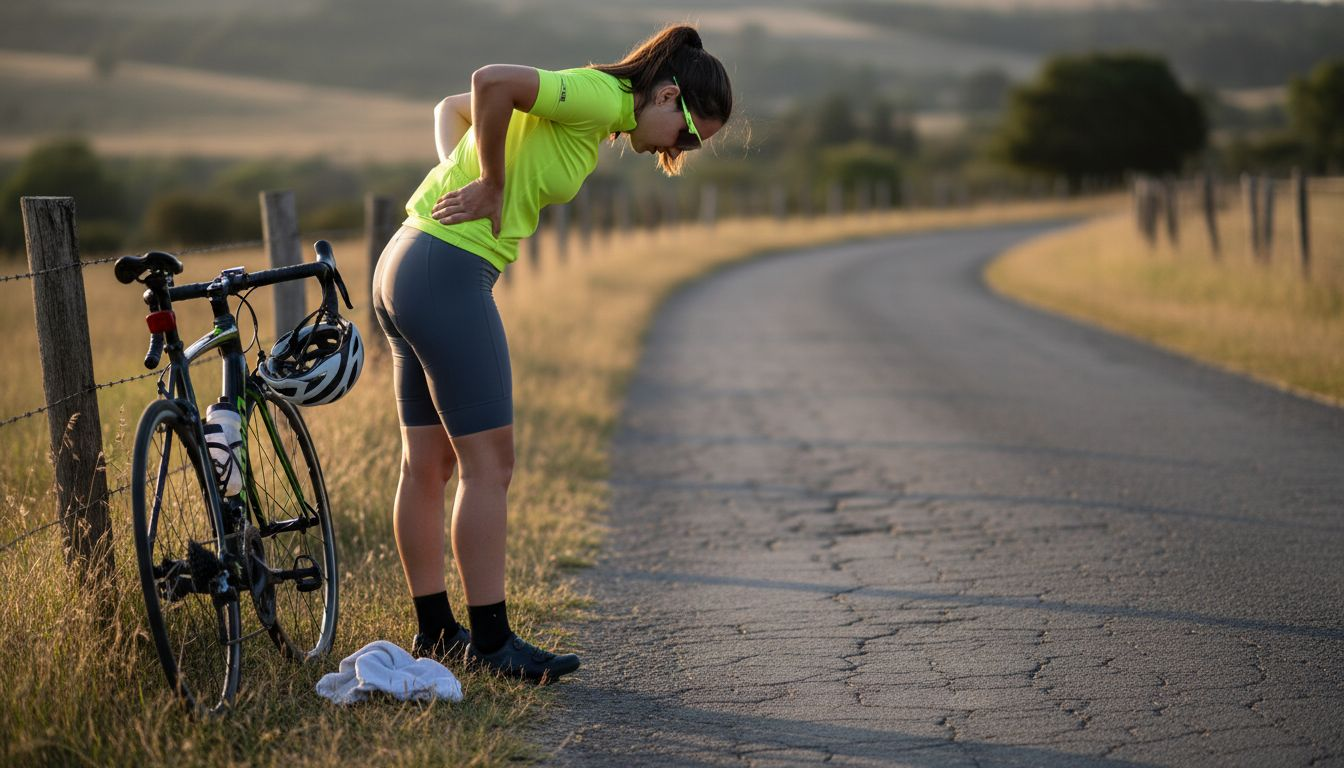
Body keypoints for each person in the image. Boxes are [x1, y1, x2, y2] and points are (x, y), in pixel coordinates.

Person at [370, 24, 732, 683]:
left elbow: (452, 111)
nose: (679, 151)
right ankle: (491, 642)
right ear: (667, 96)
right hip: (445, 271)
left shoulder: (598, 115)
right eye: (687, 134)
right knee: (491, 465)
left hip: (405, 260)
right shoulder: (598, 95)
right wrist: (486, 184)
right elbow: (489, 82)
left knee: (427, 465)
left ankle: (436, 634)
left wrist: (467, 178)